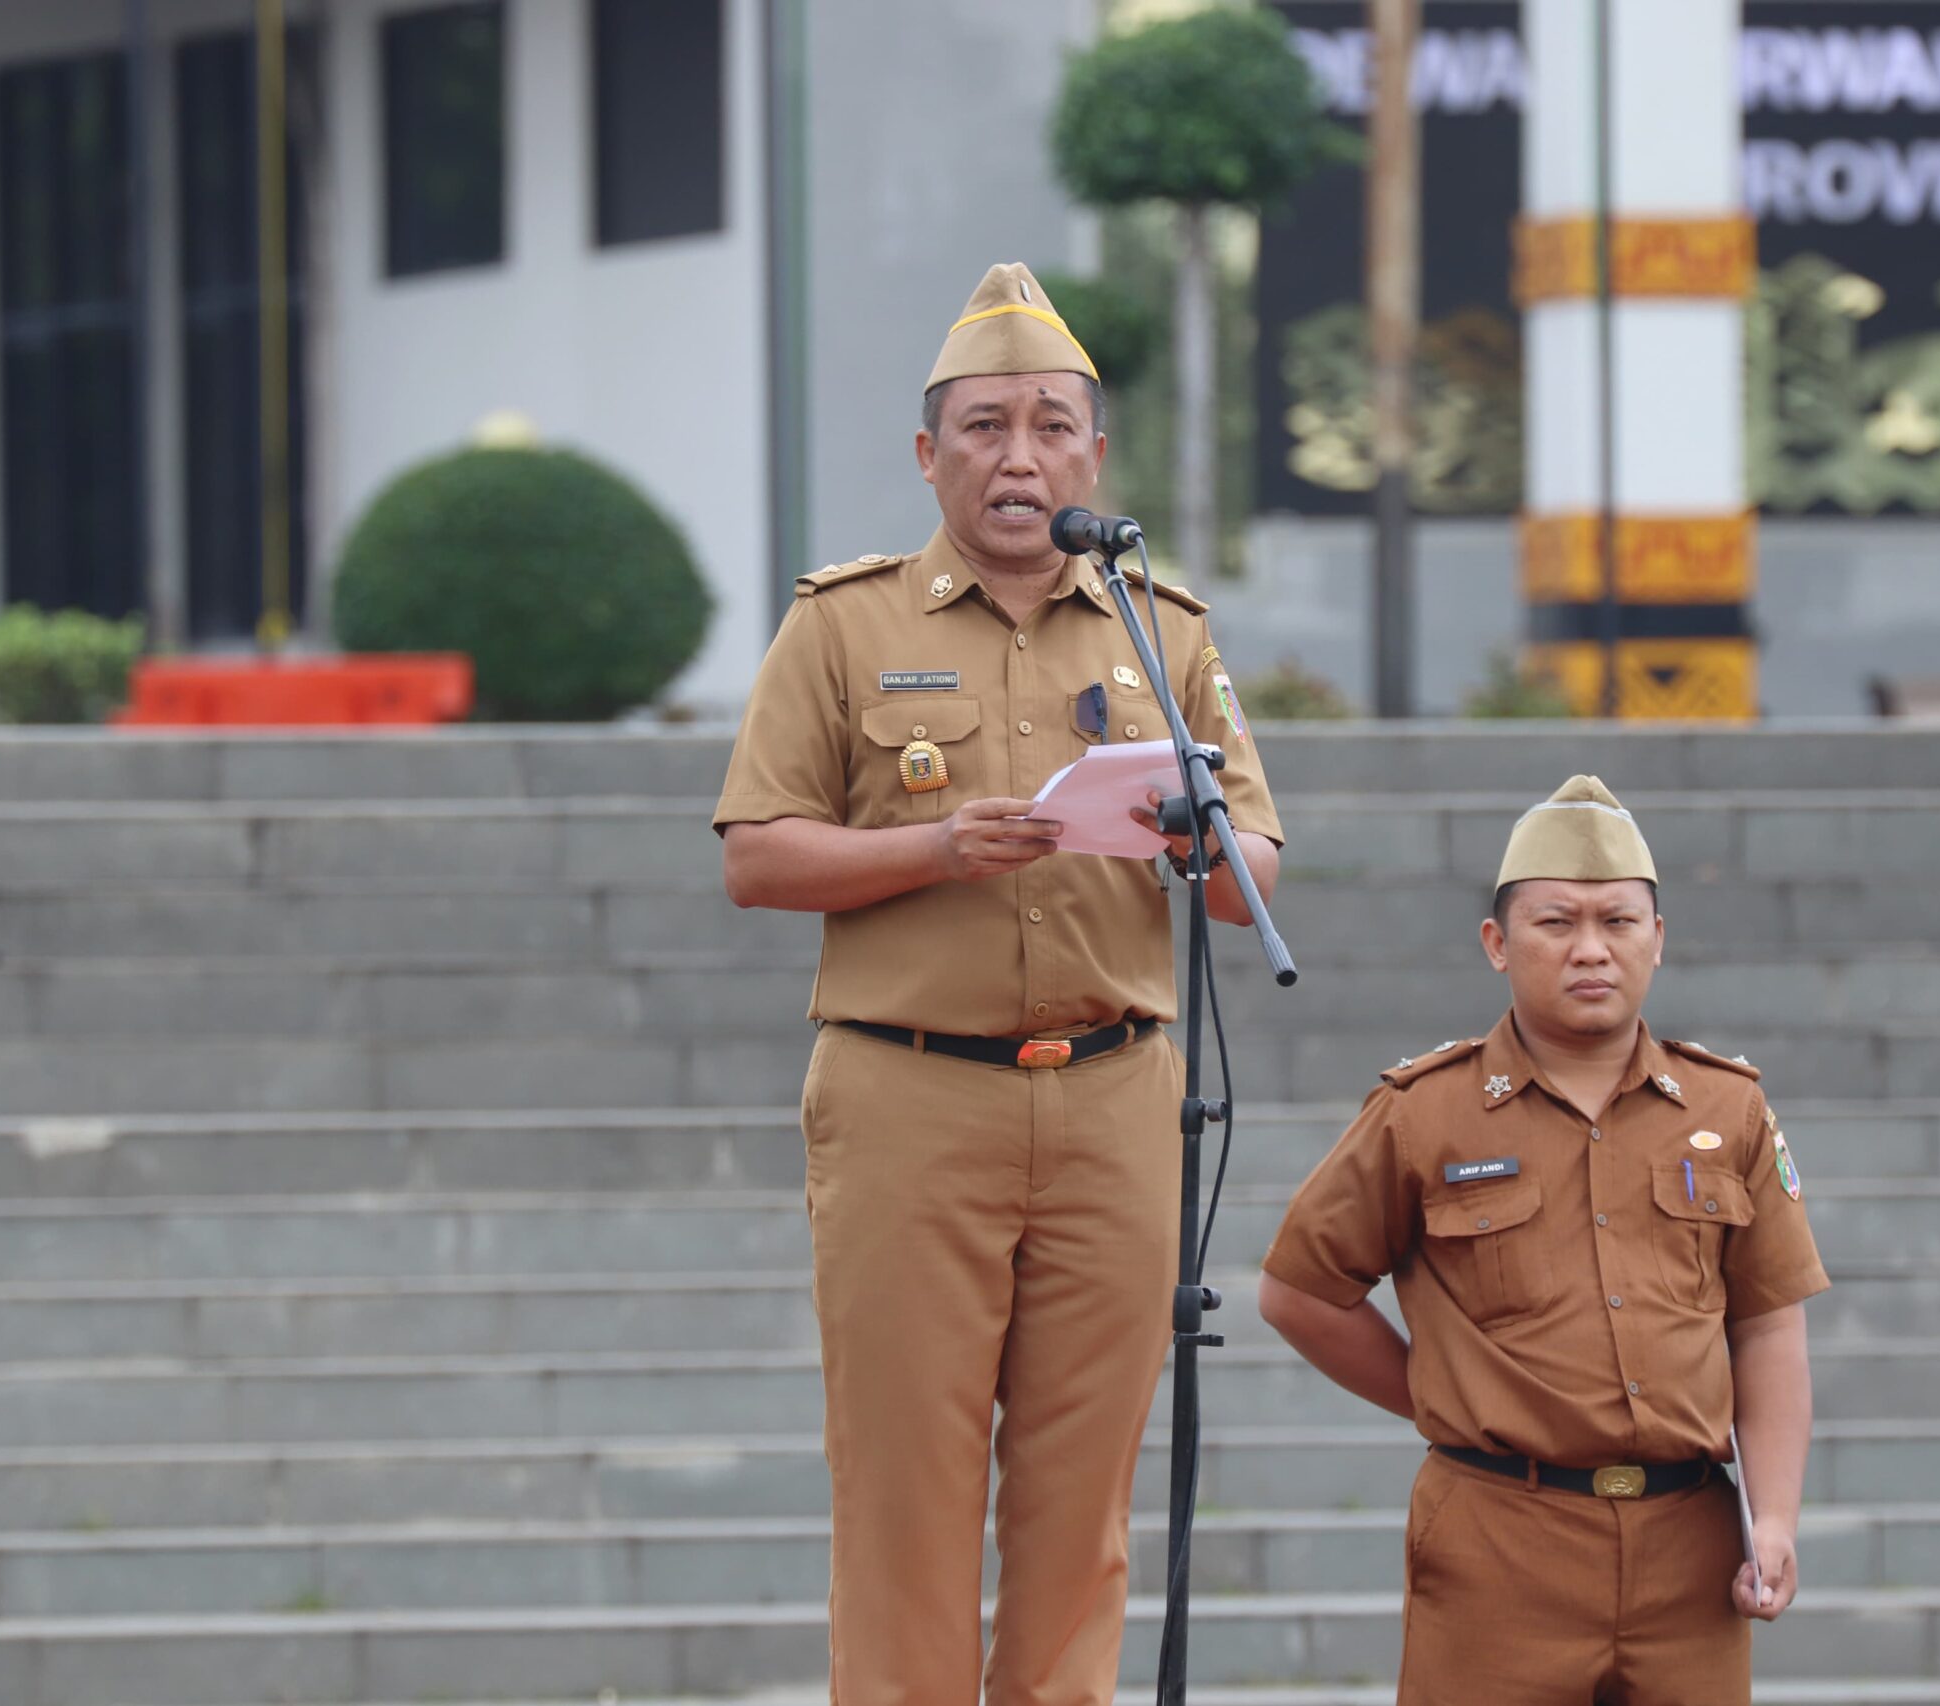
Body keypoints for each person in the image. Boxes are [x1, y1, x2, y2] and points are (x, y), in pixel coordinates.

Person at [712, 261, 1281, 1706]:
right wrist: (934, 849)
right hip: (913, 1092)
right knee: (906, 1488)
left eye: (1048, 426)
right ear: (928, 454)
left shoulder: (1168, 632)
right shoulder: (846, 624)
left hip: (1113, 1098)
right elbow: (759, 856)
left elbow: (1255, 865)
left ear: (1095, 453)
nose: (1018, 456)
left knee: (1082, 1498)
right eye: (982, 428)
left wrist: (1192, 838)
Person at [1256, 774, 1823, 1706]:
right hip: (1497, 1536)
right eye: (1556, 923)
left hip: (1691, 1543)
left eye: (1619, 922)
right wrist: (1444, 1396)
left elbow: (1767, 1324)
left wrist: (1776, 1517)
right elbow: (1300, 1292)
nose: (1590, 950)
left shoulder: (1730, 1108)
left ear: (1658, 940)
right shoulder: (1423, 1114)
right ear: (1497, 944)